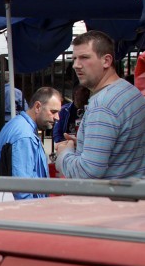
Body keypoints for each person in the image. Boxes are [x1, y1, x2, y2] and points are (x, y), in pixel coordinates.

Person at [56, 31, 145, 179]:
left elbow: (87, 173)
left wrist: (64, 154)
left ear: (106, 61)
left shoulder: (103, 105)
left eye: (84, 57)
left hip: (111, 198)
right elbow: (124, 146)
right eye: (74, 58)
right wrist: (86, 144)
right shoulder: (130, 91)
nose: (76, 65)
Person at [0, 87, 62, 199]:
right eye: (53, 112)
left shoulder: (20, 126)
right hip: (22, 211)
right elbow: (22, 190)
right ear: (38, 107)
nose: (57, 117)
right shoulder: (24, 136)